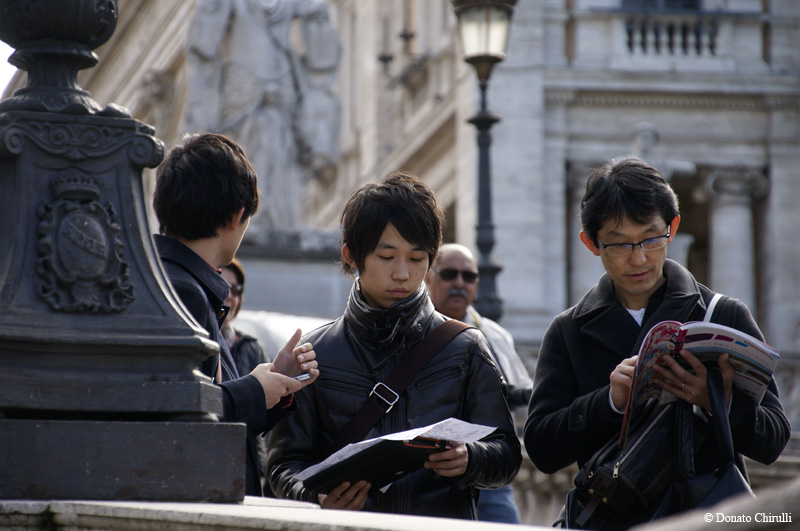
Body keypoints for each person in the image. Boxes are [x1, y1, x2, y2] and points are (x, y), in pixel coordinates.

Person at [523, 157, 790, 528]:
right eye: (619, 244)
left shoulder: (723, 314)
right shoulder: (568, 331)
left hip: (705, 517)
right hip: (614, 518)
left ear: (672, 228)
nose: (639, 258)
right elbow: (541, 449)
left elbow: (774, 438)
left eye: (651, 238)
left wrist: (717, 400)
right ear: (592, 243)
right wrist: (609, 401)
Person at [266, 171, 522, 518]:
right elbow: (283, 466)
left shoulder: (465, 347)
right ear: (351, 255)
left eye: (416, 259)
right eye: (387, 257)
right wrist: (316, 499)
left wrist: (471, 457)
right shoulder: (314, 355)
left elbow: (506, 453)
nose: (402, 273)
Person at [152, 132, 320, 497]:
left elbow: (212, 404)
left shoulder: (167, 280)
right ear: (236, 216)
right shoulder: (183, 291)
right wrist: (254, 389)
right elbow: (180, 415)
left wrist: (273, 383)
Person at [425, 243, 532, 524]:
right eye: (450, 274)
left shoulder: (495, 337)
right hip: (425, 469)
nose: (460, 283)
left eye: (469, 276)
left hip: (485, 467)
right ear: (428, 277)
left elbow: (524, 407)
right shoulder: (410, 330)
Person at [220, 257, 275, 496]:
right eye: (223, 286)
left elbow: (269, 422)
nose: (230, 295)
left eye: (236, 289)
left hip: (247, 467)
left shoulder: (251, 347)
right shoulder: (197, 342)